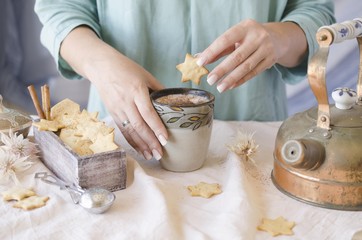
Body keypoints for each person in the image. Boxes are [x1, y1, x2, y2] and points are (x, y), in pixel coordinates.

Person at [34, 1, 335, 161]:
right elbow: (61, 9)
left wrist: (279, 38)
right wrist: (101, 65)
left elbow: (316, 13)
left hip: (248, 145)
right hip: (126, 140)